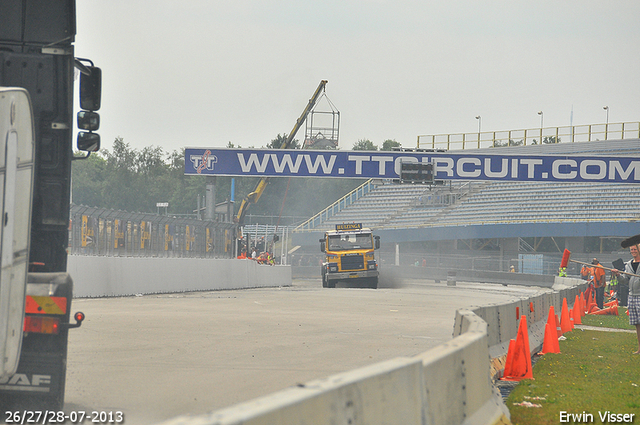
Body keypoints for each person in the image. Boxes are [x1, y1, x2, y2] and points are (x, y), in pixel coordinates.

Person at [613, 244, 640, 354]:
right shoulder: (628, 264)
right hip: (632, 296)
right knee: (637, 324)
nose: (633, 251)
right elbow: (625, 281)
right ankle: (639, 349)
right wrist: (618, 275)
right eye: (631, 250)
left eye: (635, 249)